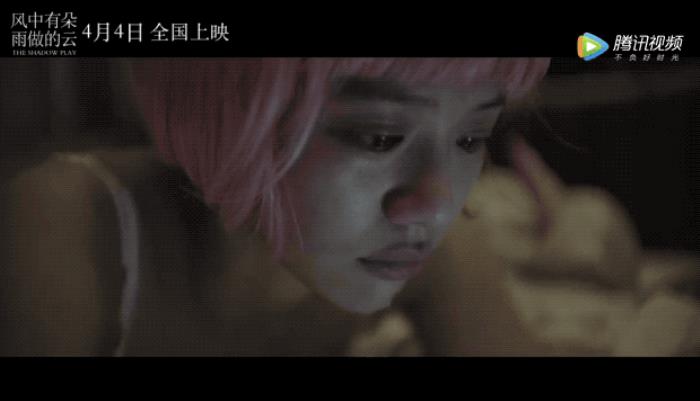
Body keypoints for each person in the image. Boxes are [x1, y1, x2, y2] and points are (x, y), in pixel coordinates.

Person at [1, 58, 696, 356]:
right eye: (379, 137)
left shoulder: (434, 252)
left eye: (471, 137)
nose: (437, 200)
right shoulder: (63, 232)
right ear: (235, 119)